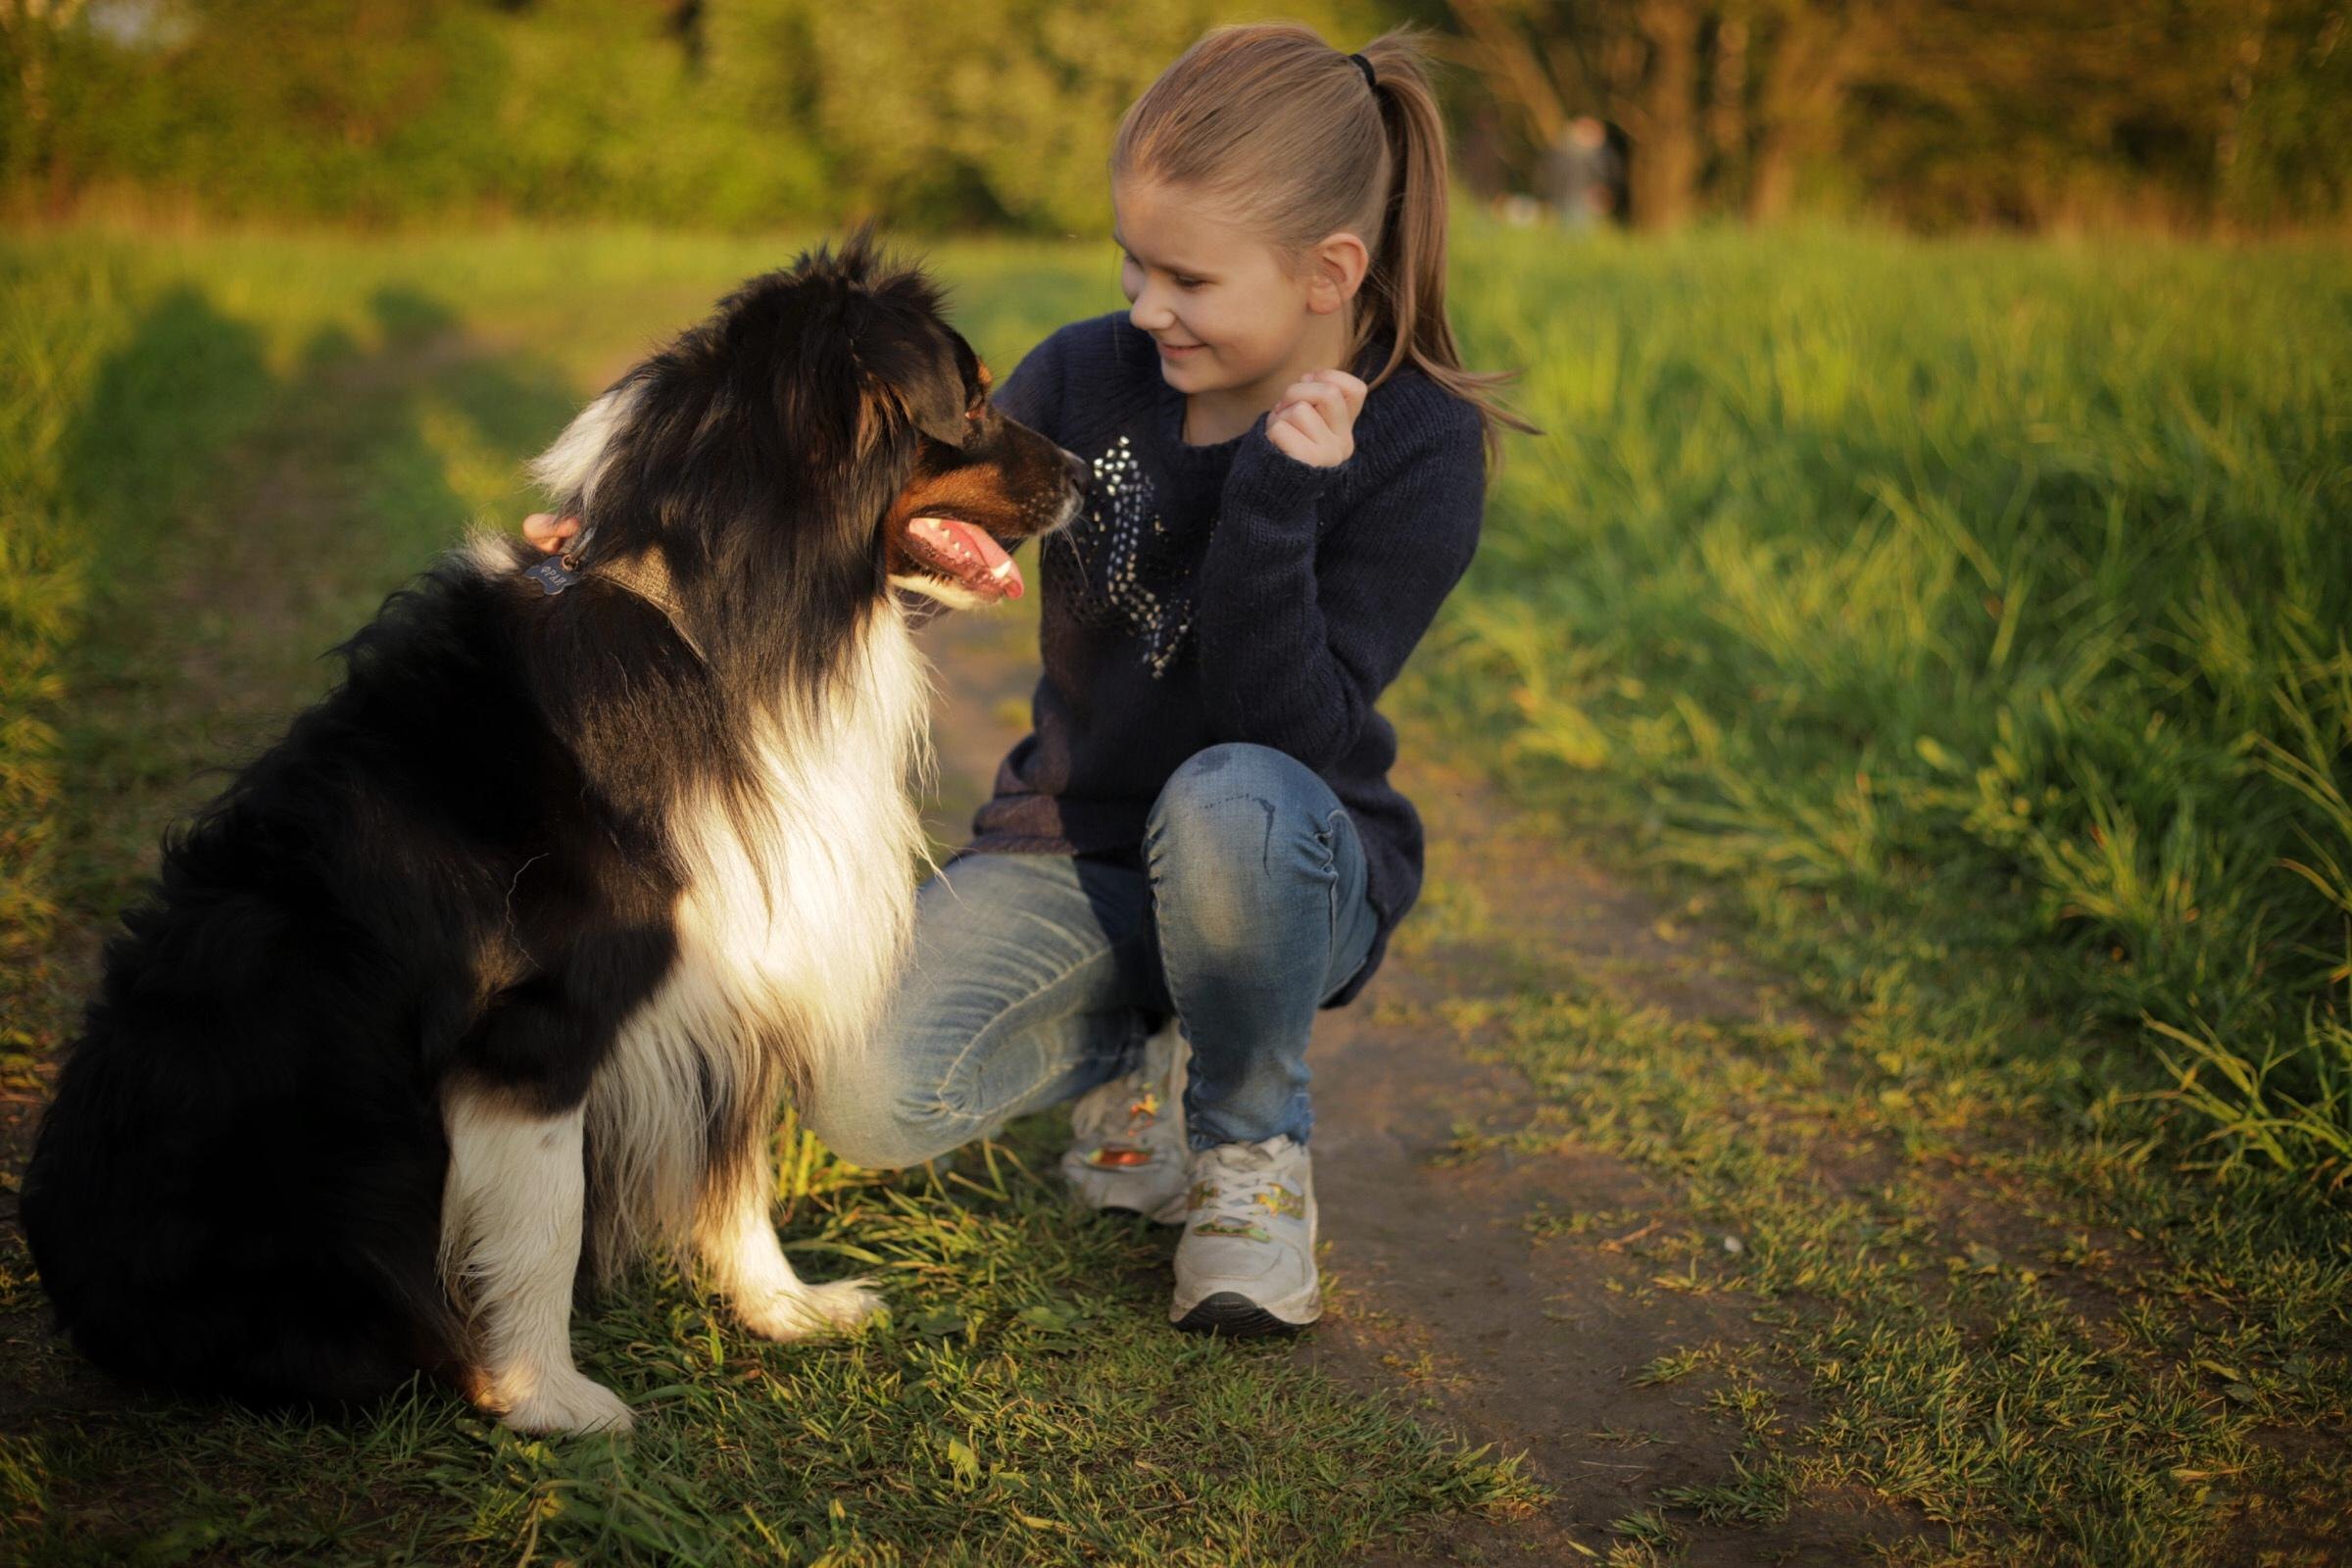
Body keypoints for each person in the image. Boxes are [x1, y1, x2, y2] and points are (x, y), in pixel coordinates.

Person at [525, 22, 1537, 1336]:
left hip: (1284, 860)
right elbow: (860, 548)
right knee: (862, 1089)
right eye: (1133, 260)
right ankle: (1136, 1046)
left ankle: (1248, 1154)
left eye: (1187, 278)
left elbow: (1286, 726)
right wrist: (647, 557)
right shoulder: (1091, 375)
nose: (1146, 306)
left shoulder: (1417, 444)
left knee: (1228, 798)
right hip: (1075, 849)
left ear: (1327, 273)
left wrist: (1280, 496)